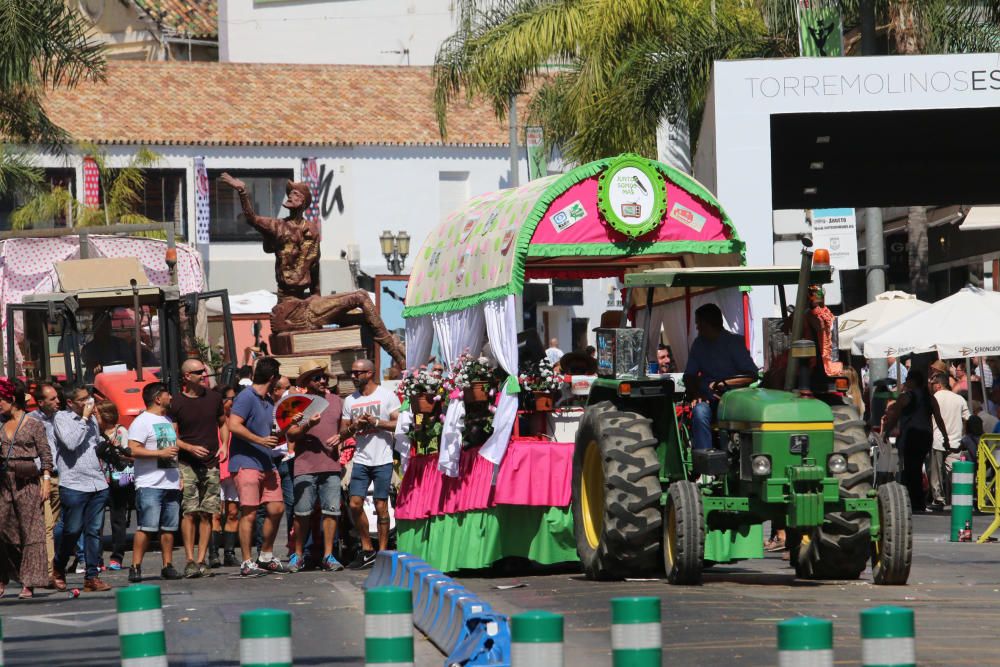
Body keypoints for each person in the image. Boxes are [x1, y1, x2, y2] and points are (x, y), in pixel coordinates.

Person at [227, 357, 287, 577]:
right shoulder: (246, 397)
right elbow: (233, 425)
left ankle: (265, 556)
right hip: (246, 463)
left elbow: (270, 434)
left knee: (276, 508)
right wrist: (260, 441)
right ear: (272, 378)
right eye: (278, 377)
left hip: (266, 462)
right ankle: (246, 561)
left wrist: (295, 423)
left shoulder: (268, 401)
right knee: (249, 513)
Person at [286, 360, 345, 572]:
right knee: (302, 513)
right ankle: (298, 555)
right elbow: (290, 434)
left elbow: (343, 431)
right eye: (317, 377)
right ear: (307, 382)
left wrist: (342, 437)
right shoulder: (297, 402)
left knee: (331, 511)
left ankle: (328, 555)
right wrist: (307, 424)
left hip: (331, 464)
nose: (322, 380)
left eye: (324, 377)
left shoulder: (337, 401)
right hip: (305, 465)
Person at [169, 359, 225, 578]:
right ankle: (189, 559)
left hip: (211, 462)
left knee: (207, 512)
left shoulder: (214, 398)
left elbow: (223, 423)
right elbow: (173, 436)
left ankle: (202, 559)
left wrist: (225, 446)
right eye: (199, 372)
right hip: (187, 463)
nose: (204, 374)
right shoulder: (176, 403)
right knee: (189, 511)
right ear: (186, 376)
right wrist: (189, 448)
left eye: (204, 371)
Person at [342, 358, 400, 569]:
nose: (353, 376)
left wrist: (377, 422)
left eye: (357, 373)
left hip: (383, 458)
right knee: (355, 504)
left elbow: (398, 423)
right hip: (361, 459)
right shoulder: (350, 400)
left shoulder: (387, 396)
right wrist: (355, 426)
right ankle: (368, 549)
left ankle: (383, 552)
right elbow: (343, 431)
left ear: (369, 373)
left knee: (381, 505)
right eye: (352, 373)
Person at [52, 386, 111, 592]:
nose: (89, 402)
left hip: (97, 482)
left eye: (90, 398)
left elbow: (96, 444)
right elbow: (70, 443)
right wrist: (85, 419)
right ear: (70, 403)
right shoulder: (61, 418)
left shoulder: (92, 418)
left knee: (94, 532)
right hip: (74, 484)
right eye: (83, 400)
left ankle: (92, 576)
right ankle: (59, 566)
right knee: (72, 530)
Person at [0, 379, 52, 599]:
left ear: (12, 399)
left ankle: (28, 583)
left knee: (30, 531)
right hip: (3, 481)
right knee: (3, 529)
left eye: (1, 399)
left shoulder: (33, 424)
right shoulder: (0, 423)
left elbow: (46, 455)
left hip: (27, 480)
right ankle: (6, 574)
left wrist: (46, 480)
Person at [127, 382, 183, 583]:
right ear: (158, 398)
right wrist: (160, 453)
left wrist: (179, 476)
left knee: (169, 528)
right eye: (168, 394)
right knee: (147, 527)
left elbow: (172, 449)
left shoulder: (166, 419)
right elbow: (132, 449)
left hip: (170, 481)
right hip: (149, 483)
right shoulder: (142, 421)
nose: (171, 397)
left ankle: (167, 565)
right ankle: (135, 566)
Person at [683, 303, 758, 451]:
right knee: (699, 412)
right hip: (710, 400)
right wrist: (696, 393)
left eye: (699, 324)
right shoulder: (698, 345)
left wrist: (724, 384)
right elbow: (689, 376)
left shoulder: (734, 343)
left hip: (735, 401)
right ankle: (706, 458)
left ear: (709, 323)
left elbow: (751, 375)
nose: (697, 328)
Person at [882, 370, 947, 513]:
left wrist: (886, 431)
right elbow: (939, 419)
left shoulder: (905, 397)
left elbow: (894, 417)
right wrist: (945, 438)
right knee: (916, 468)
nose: (905, 382)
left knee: (910, 469)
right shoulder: (930, 398)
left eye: (907, 380)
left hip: (910, 437)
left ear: (912, 381)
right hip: (925, 437)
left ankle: (913, 501)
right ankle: (917, 501)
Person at [95, 400, 134, 571]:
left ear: (105, 415)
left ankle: (117, 557)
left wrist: (117, 450)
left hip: (118, 481)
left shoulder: (121, 431)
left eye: (96, 413)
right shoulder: (94, 432)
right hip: (98, 480)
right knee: (96, 523)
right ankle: (96, 559)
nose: (93, 415)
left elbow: (129, 456)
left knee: (118, 520)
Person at [28, 383, 61, 580]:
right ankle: (48, 572)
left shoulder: (61, 418)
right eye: (52, 399)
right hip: (43, 477)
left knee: (57, 525)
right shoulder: (32, 421)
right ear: (40, 403)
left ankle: (51, 565)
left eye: (57, 397)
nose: (58, 401)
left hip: (61, 476)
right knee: (46, 525)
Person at [929, 372, 970, 510]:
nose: (931, 386)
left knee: (936, 473)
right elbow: (968, 419)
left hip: (938, 440)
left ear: (939, 385)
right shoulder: (959, 399)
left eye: (933, 384)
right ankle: (959, 498)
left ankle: (939, 499)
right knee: (955, 473)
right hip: (956, 441)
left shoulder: (934, 398)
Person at [218, 384, 241, 566]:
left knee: (233, 512)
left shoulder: (238, 419)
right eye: (229, 399)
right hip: (217, 470)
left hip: (234, 470)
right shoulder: (214, 421)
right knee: (215, 514)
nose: (232, 402)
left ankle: (229, 552)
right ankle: (212, 554)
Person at [81, 311, 134, 378]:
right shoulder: (87, 349)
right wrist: (93, 366)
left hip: (119, 380)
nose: (102, 329)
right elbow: (89, 365)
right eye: (100, 326)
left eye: (105, 325)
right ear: (94, 327)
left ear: (110, 327)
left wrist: (108, 369)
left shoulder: (121, 344)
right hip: (95, 384)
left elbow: (129, 366)